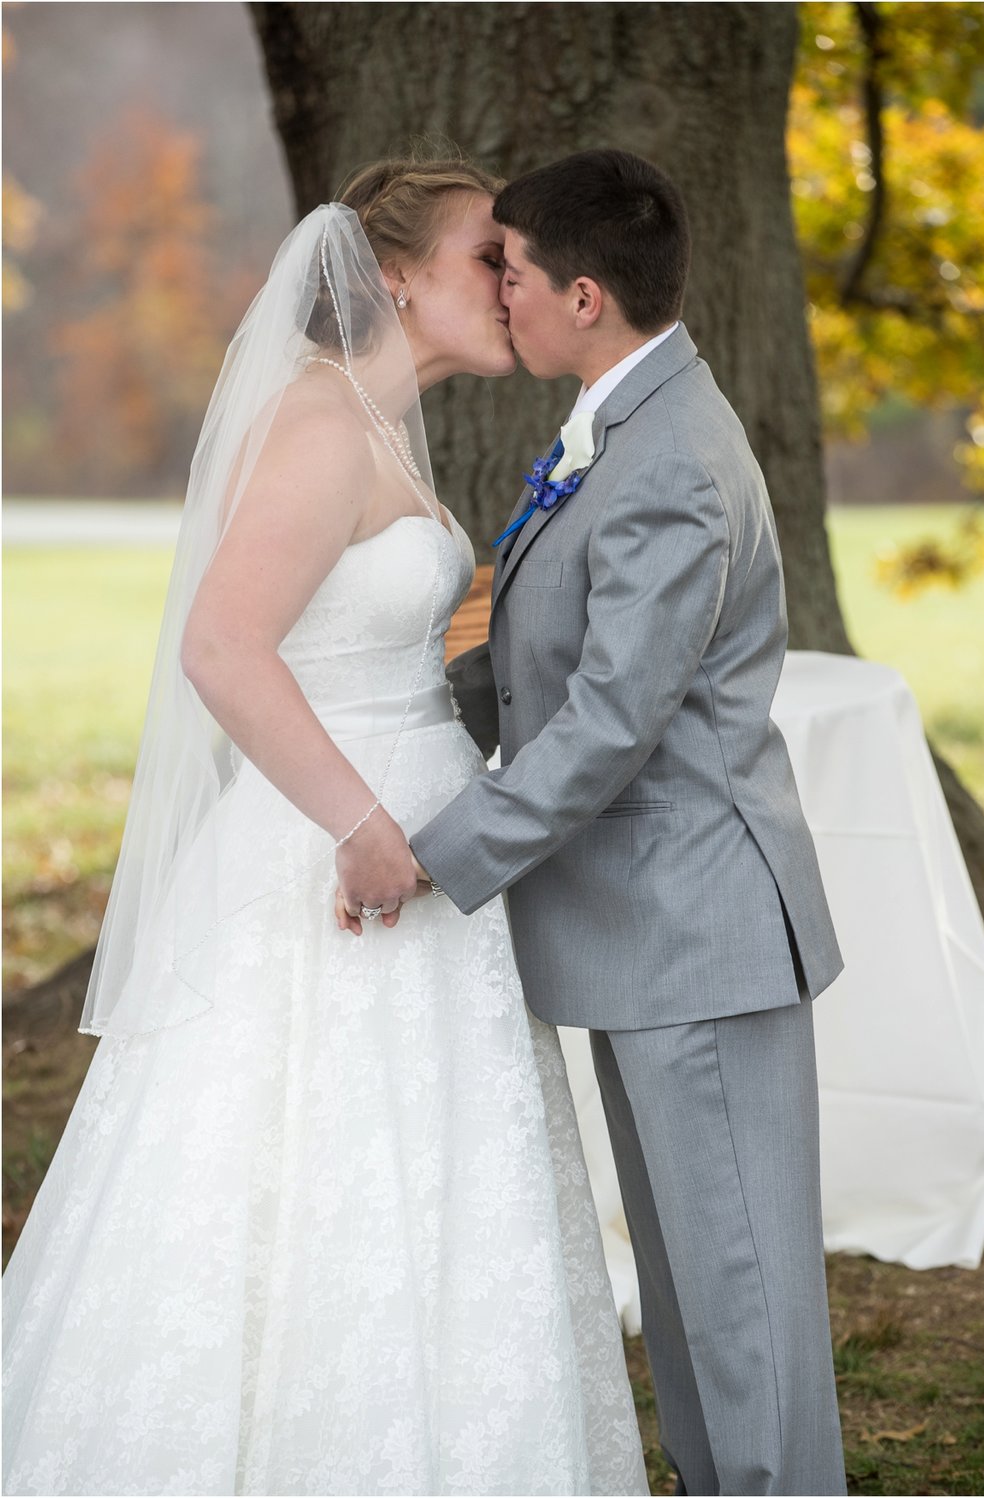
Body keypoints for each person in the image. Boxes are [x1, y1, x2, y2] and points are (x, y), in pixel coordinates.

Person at [2, 159, 648, 1497]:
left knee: (424, 1183)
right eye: (489, 253)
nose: (510, 277)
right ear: (397, 275)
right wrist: (361, 823)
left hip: (418, 852)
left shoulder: (374, 421)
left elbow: (359, 629)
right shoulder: (321, 424)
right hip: (332, 860)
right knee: (286, 1173)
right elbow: (225, 648)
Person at [402, 149, 849, 1496]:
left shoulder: (668, 460)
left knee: (740, 1299)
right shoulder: (624, 418)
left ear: (585, 295)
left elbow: (609, 719)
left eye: (516, 273)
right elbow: (550, 652)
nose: (503, 294)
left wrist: (440, 853)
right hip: (650, 927)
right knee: (693, 1285)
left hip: (694, 928)